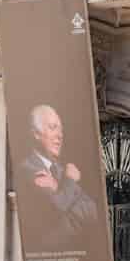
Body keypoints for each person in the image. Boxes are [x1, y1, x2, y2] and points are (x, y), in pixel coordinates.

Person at [16, 104, 99, 251]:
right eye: (53, 127)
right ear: (36, 133)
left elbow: (92, 211)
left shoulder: (60, 170)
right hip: (47, 258)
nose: (60, 135)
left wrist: (59, 190)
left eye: (61, 129)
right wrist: (70, 181)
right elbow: (58, 207)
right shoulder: (27, 169)